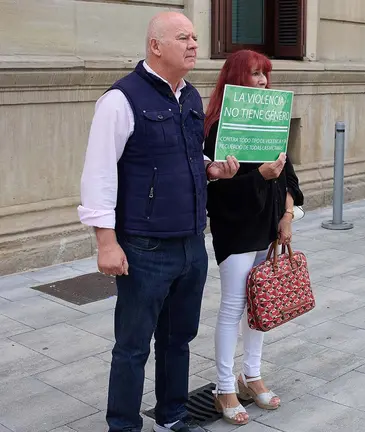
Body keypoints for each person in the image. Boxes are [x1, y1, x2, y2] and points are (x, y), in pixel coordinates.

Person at [77, 12, 240, 432]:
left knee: (177, 340)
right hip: (145, 247)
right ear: (155, 46)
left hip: (190, 242)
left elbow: (182, 155)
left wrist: (211, 168)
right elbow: (99, 174)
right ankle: (124, 425)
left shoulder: (190, 96)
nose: (193, 44)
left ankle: (172, 416)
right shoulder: (121, 99)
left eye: (195, 37)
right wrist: (106, 243)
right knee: (132, 346)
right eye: (182, 37)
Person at [203, 50, 304, 424]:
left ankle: (252, 375)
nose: (262, 81)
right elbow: (215, 192)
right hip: (236, 228)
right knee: (233, 306)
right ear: (236, 79)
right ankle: (224, 386)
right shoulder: (216, 126)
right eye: (255, 74)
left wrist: (288, 214)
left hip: (268, 226)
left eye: (265, 75)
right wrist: (258, 176)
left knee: (260, 304)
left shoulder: (273, 120)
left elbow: (289, 175)